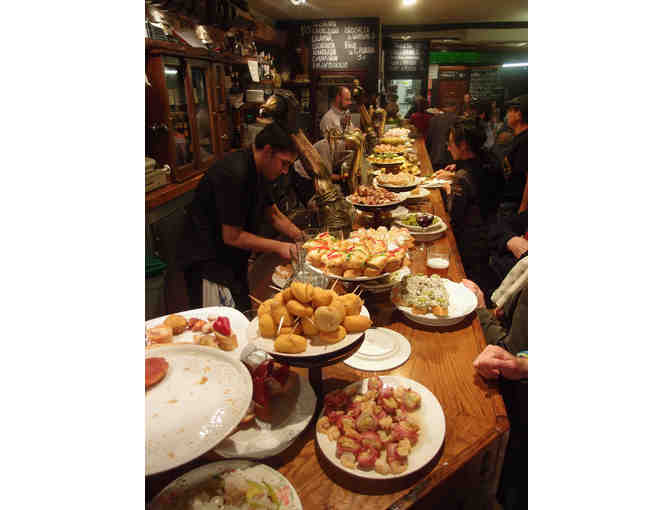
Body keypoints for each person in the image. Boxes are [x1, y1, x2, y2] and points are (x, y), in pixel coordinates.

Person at [178, 123, 303, 312]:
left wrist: (303, 238)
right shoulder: (234, 173)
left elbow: (274, 215)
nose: (285, 170)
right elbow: (232, 236)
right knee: (219, 322)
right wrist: (280, 247)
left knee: (242, 311)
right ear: (268, 151)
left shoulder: (259, 169)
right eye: (284, 163)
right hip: (209, 262)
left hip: (233, 260)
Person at [501, 95, 528, 218]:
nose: (507, 115)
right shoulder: (519, 137)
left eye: (510, 110)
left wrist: (522, 211)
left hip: (514, 205)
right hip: (509, 202)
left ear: (519, 114)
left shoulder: (526, 140)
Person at [425, 100, 458, 169]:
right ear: (454, 107)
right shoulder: (457, 120)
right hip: (449, 158)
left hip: (434, 156)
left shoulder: (434, 119)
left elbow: (429, 139)